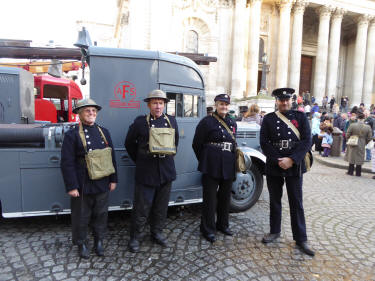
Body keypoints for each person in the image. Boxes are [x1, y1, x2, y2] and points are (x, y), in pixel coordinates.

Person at [260, 88, 314, 256]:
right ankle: (274, 231)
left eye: (287, 100)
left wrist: (292, 159)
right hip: (275, 163)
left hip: (294, 164)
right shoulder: (268, 119)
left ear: (291, 100)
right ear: (277, 101)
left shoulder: (301, 117)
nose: (284, 103)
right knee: (275, 200)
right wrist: (278, 160)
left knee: (296, 202)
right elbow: (264, 142)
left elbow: (307, 140)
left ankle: (301, 238)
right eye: (281, 100)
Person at [61, 98, 118, 259]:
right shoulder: (72, 135)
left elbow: (111, 156)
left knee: (101, 214)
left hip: (102, 181)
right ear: (79, 114)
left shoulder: (104, 132)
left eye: (94, 111)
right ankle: (82, 243)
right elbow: (67, 163)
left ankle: (99, 241)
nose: (91, 113)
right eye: (87, 110)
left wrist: (113, 179)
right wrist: (72, 186)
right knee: (81, 216)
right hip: (82, 183)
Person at [125, 89, 179, 253]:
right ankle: (135, 236)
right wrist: (141, 160)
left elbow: (175, 143)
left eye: (160, 103)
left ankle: (157, 232)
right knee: (142, 207)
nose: (158, 106)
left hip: (165, 171)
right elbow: (129, 143)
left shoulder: (171, 121)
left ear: (164, 105)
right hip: (146, 172)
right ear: (149, 105)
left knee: (161, 207)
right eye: (154, 103)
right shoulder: (140, 122)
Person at [192, 94, 237, 243]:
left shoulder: (232, 122)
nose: (224, 107)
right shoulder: (207, 122)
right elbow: (197, 144)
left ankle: (223, 225)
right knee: (210, 199)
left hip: (228, 164)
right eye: (221, 104)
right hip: (211, 164)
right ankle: (208, 229)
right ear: (216, 105)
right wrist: (205, 159)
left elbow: (233, 144)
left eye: (226, 104)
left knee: (225, 197)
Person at [345, 110, 372, 177]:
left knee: (352, 156)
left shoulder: (352, 125)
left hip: (353, 141)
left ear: (357, 118)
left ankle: (350, 171)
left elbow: (347, 134)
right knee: (360, 157)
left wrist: (349, 140)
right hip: (362, 143)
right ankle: (358, 173)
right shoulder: (367, 127)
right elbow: (369, 137)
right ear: (364, 119)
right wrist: (365, 142)